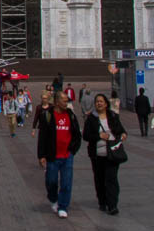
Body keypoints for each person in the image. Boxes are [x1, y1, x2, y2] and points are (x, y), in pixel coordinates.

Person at [37, 90, 82, 218]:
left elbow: (77, 135)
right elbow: (42, 137)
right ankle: (53, 198)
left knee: (66, 182)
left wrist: (73, 150)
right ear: (56, 101)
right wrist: (41, 155)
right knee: (51, 181)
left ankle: (63, 206)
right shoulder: (47, 115)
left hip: (67, 155)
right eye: (64, 100)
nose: (66, 102)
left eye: (67, 100)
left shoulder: (71, 115)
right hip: (52, 155)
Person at [83, 92, 128, 215]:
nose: (99, 103)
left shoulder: (113, 116)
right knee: (100, 179)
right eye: (97, 101)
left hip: (112, 153)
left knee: (111, 179)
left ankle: (112, 205)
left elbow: (121, 129)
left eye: (101, 101)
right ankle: (102, 202)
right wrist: (98, 135)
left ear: (106, 103)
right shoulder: (91, 118)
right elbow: (86, 135)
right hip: (97, 155)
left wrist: (123, 134)